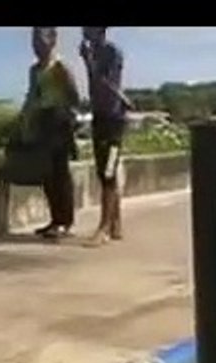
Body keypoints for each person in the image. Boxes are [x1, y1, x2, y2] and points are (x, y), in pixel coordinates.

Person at [24, 27, 82, 240]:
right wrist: (26, 120)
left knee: (60, 173)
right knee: (47, 173)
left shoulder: (60, 68)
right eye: (34, 40)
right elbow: (32, 96)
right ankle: (55, 219)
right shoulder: (34, 70)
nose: (36, 44)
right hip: (42, 120)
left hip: (59, 119)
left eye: (40, 39)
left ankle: (65, 221)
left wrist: (68, 118)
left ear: (52, 40)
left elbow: (74, 96)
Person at [80, 26, 132, 246]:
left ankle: (103, 227)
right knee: (104, 173)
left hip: (114, 121)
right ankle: (115, 222)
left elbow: (105, 83)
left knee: (109, 172)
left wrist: (88, 62)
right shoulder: (92, 52)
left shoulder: (112, 52)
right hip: (100, 119)